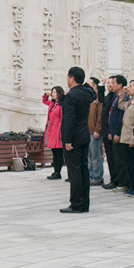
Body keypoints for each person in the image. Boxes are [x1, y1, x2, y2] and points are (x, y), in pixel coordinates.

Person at [59, 66, 96, 213]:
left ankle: (76, 203)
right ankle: (84, 203)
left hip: (73, 138)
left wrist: (67, 141)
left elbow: (69, 120)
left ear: (72, 78)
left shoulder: (71, 96)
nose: (67, 80)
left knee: (74, 172)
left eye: (68, 77)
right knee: (83, 169)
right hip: (84, 135)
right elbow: (93, 92)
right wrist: (84, 83)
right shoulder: (87, 93)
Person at [120, 80, 134, 196]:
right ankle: (131, 185)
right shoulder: (130, 102)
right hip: (126, 137)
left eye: (130, 87)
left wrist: (133, 139)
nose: (128, 88)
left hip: (132, 138)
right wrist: (123, 94)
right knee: (129, 164)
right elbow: (120, 105)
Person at [107, 75, 129, 192]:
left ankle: (124, 182)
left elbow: (122, 117)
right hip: (113, 131)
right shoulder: (116, 97)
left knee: (121, 160)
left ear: (120, 85)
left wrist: (117, 133)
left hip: (119, 133)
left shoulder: (124, 98)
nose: (112, 85)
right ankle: (119, 181)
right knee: (116, 159)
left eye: (114, 83)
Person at [100, 77, 119, 189]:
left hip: (112, 131)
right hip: (106, 131)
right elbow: (101, 100)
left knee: (114, 157)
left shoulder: (117, 98)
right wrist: (101, 85)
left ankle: (117, 179)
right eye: (109, 83)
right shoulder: (109, 97)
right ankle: (113, 178)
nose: (110, 85)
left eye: (112, 83)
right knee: (110, 157)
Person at [43, 86, 65, 180]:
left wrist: (60, 131)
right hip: (51, 130)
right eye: (52, 92)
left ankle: (58, 172)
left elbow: (63, 118)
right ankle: (55, 171)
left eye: (55, 92)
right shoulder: (52, 104)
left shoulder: (62, 105)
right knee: (54, 152)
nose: (53, 94)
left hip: (57, 130)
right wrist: (45, 95)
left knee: (58, 153)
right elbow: (45, 101)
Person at [86, 77, 104, 186]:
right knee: (89, 156)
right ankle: (90, 175)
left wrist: (97, 129)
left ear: (95, 86)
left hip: (94, 131)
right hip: (87, 131)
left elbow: (100, 116)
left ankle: (97, 176)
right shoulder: (88, 97)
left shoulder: (98, 99)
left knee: (95, 156)